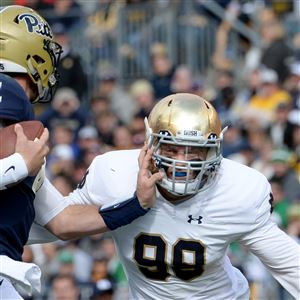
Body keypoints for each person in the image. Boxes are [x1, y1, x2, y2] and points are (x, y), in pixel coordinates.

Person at [37, 93, 298, 299]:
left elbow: (289, 265)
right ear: (150, 144)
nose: (182, 163)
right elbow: (59, 221)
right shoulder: (115, 172)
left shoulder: (237, 189)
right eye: (172, 149)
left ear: (215, 150)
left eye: (194, 151)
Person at [0, 5, 159, 299]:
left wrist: (137, 204)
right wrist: (19, 166)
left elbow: (63, 222)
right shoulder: (10, 97)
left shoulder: (22, 124)